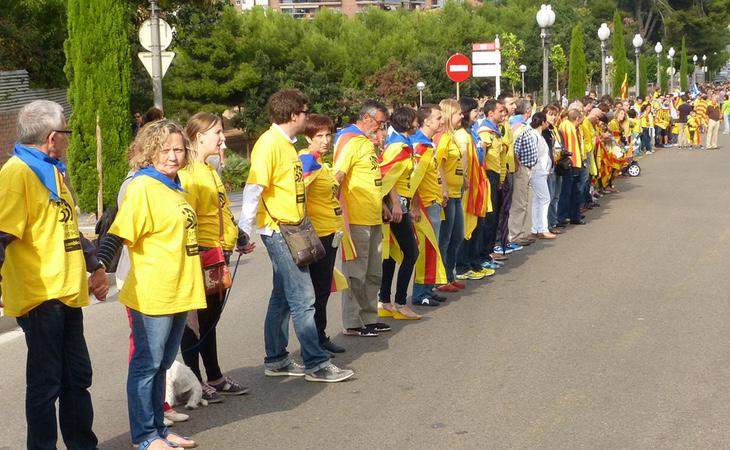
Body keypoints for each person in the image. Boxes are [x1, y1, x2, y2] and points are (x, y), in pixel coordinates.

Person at [0, 99, 108, 450]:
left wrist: (95, 265)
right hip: (40, 295)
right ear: (51, 137)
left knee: (77, 377)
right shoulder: (18, 173)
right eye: (66, 132)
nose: (67, 139)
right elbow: (1, 234)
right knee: (46, 384)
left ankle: (82, 445)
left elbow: (67, 227)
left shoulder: (50, 169)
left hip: (65, 291)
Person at [97, 119, 205, 449]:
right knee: (146, 367)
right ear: (149, 151)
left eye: (179, 149)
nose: (173, 156)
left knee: (161, 368)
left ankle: (159, 428)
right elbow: (117, 233)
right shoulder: (143, 187)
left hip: (178, 291)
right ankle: (144, 436)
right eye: (165, 149)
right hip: (152, 293)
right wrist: (99, 267)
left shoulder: (173, 186)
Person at [238, 89, 354, 382]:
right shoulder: (270, 144)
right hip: (280, 230)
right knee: (304, 297)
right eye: (304, 111)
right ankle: (316, 363)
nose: (307, 116)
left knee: (282, 297)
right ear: (293, 115)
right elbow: (254, 188)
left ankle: (276, 358)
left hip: (291, 228)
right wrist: (243, 231)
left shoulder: (285, 144)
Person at [178, 112, 250, 402]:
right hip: (203, 253)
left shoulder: (208, 168)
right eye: (218, 132)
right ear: (199, 136)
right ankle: (196, 380)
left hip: (219, 252)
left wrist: (239, 236)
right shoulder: (189, 174)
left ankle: (215, 375)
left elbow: (220, 210)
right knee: (196, 321)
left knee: (210, 320)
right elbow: (188, 219)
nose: (222, 137)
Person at [333, 100, 392, 337]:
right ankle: (353, 321)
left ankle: (368, 317)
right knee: (356, 273)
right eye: (379, 123)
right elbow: (338, 176)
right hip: (356, 218)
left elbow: (372, 179)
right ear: (366, 119)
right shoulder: (351, 141)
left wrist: (383, 206)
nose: (381, 129)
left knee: (373, 271)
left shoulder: (365, 143)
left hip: (373, 215)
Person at [298, 114, 346, 353]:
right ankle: (315, 340)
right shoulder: (307, 160)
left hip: (330, 233)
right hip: (317, 235)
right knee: (318, 290)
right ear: (308, 137)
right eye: (319, 136)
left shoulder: (320, 162)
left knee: (324, 288)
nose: (326, 140)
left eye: (329, 135)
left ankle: (320, 335)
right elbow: (297, 196)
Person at [378, 107, 424, 316]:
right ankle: (398, 302)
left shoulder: (402, 144)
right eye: (416, 120)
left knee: (391, 253)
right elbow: (388, 177)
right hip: (398, 205)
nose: (419, 123)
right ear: (408, 123)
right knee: (411, 252)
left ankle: (386, 300)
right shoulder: (399, 147)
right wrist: (395, 203)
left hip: (401, 203)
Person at [409, 104, 449, 305]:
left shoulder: (428, 143)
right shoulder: (418, 145)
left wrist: (441, 190)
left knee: (433, 248)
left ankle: (427, 288)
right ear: (426, 121)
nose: (442, 121)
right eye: (438, 118)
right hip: (424, 205)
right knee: (425, 249)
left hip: (433, 202)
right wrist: (415, 206)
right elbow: (413, 178)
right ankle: (419, 294)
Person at [455, 97, 492, 281]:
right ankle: (463, 265)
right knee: (466, 228)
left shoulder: (472, 132)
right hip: (468, 188)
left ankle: (473, 262)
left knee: (476, 226)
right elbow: (462, 164)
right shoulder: (462, 135)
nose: (478, 114)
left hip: (478, 186)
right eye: (475, 110)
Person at [434, 99, 467, 292]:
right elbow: (437, 166)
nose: (461, 116)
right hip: (448, 195)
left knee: (457, 237)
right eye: (458, 113)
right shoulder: (443, 138)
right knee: (445, 239)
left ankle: (448, 274)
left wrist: (462, 178)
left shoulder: (451, 136)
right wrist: (444, 188)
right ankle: (441, 279)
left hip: (456, 193)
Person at [514, 112, 555, 240]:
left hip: (541, 171)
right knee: (544, 198)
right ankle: (542, 228)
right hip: (537, 171)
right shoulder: (533, 135)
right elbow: (533, 154)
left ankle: (537, 228)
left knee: (539, 200)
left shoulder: (537, 135)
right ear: (542, 122)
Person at [557, 108, 585, 225]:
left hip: (575, 162)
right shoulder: (567, 126)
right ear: (577, 118)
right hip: (571, 163)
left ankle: (573, 215)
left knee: (573, 191)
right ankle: (564, 216)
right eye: (580, 121)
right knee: (568, 191)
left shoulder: (569, 126)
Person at [542, 104, 562, 233]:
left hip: (556, 165)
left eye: (555, 115)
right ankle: (547, 225)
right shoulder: (542, 131)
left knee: (555, 195)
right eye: (550, 114)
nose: (553, 117)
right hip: (547, 168)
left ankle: (553, 222)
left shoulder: (554, 129)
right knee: (548, 196)